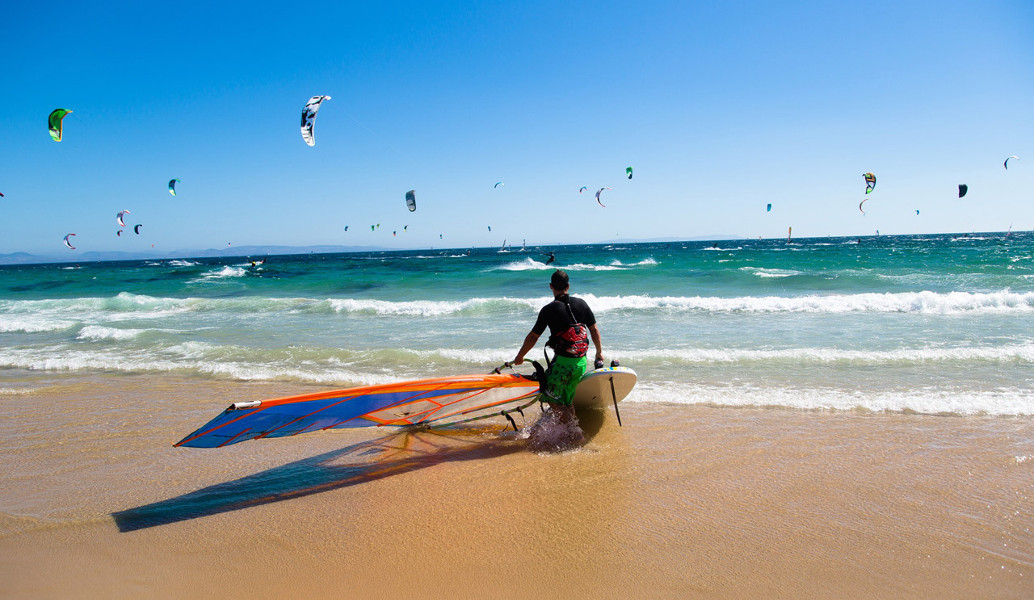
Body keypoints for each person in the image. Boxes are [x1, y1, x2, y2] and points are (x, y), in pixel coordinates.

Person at [512, 270, 603, 448]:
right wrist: (599, 352)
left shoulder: (548, 309)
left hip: (562, 364)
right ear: (568, 286)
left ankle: (576, 435)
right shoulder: (582, 304)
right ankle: (569, 433)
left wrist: (520, 356)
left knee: (552, 399)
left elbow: (533, 337)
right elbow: (594, 331)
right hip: (580, 362)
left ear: (551, 287)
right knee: (566, 400)